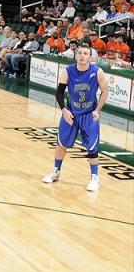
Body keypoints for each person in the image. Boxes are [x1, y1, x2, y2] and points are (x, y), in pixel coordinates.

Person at [42, 46, 108, 191]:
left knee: (92, 147)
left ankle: (95, 179)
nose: (82, 56)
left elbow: (105, 91)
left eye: (85, 53)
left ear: (90, 57)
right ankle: (56, 172)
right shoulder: (68, 70)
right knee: (61, 142)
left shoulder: (97, 72)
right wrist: (64, 110)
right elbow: (59, 92)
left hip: (89, 114)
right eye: (80, 53)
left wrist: (98, 110)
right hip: (71, 113)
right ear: (75, 55)